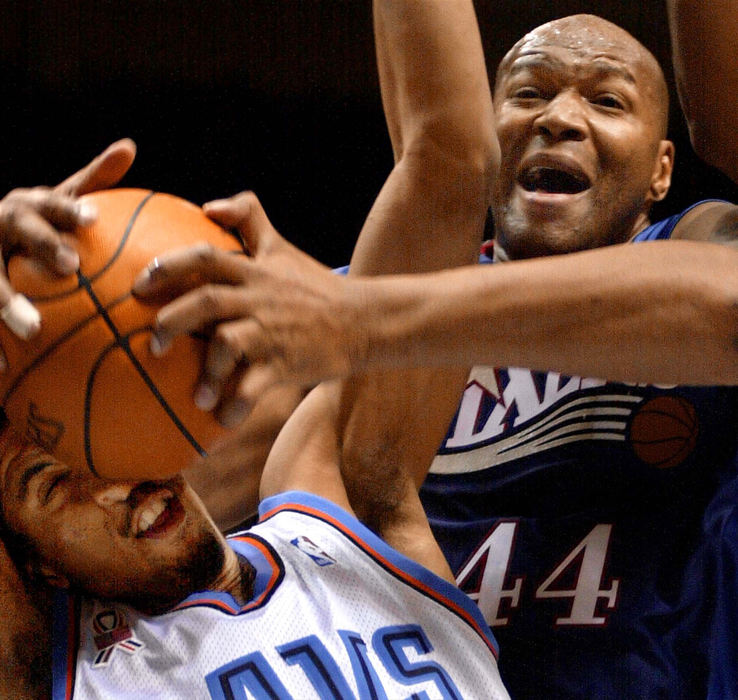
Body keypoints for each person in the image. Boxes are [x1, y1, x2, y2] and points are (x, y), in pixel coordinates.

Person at [137, 9, 738, 700]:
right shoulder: (328, 313)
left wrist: (364, 320)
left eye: (606, 101)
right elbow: (146, 503)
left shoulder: (691, 246)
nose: (559, 118)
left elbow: (726, 307)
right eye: (529, 94)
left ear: (663, 170)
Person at [0, 1, 508, 698]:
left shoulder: (343, 507)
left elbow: (452, 163)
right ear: (43, 569)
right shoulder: (53, 669)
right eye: (55, 486)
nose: (111, 474)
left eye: (97, 438)